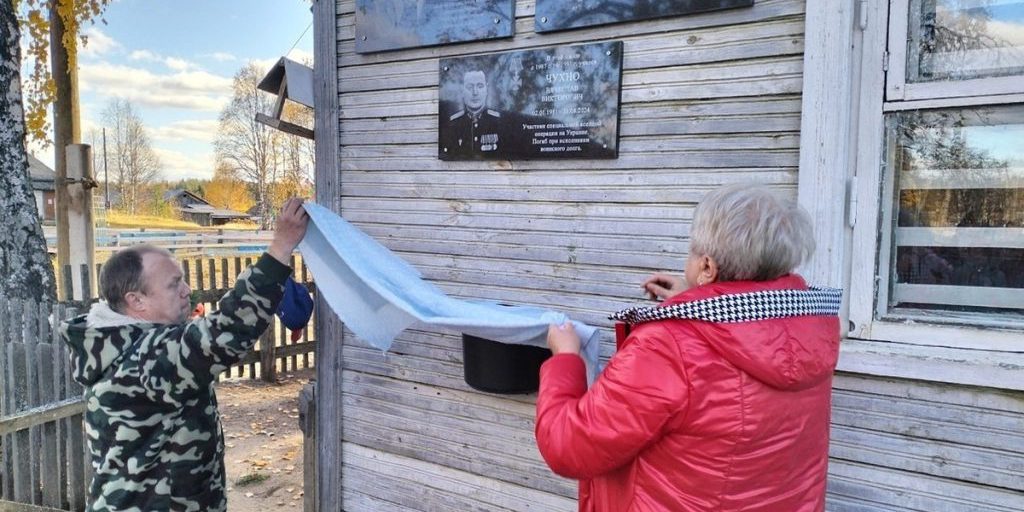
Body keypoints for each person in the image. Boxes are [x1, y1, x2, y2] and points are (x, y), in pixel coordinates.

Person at [534, 184, 841, 511]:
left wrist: (565, 358)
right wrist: (695, 299)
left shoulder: (668, 346)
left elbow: (568, 446)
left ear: (707, 267)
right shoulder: (810, 327)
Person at [61, 198, 310, 512]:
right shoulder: (144, 360)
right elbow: (227, 331)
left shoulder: (122, 344)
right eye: (174, 284)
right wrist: (280, 247)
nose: (187, 290)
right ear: (136, 301)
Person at [440, 68, 509, 157]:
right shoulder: (452, 124)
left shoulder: (500, 123)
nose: (475, 92)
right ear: (462, 90)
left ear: (486, 89)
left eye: (480, 86)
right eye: (469, 87)